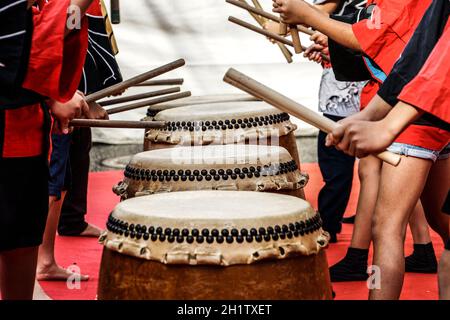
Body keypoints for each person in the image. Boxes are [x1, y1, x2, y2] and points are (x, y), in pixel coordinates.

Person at [295, 0, 439, 280]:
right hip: (403, 103)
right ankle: (414, 248)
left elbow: (384, 44)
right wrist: (335, 47)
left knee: (388, 222)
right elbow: (390, 50)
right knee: (402, 198)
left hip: (412, 107)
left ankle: (360, 256)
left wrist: (312, 19)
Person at [0, 0, 94, 300]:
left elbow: (47, 29)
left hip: (24, 134)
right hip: (10, 138)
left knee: (22, 239)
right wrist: (50, 93)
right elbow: (20, 53)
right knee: (17, 241)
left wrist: (52, 94)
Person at [36, 0, 122, 281]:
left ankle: (52, 249)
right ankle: (44, 261)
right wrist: (58, 96)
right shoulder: (62, 11)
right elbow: (43, 51)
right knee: (53, 182)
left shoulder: (71, 11)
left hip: (58, 95)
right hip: (44, 104)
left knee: (61, 180)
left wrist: (78, 95)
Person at [58, 0, 122, 238]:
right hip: (58, 88)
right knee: (59, 164)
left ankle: (72, 219)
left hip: (68, 88)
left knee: (77, 145)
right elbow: (63, 38)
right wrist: (87, 96)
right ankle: (64, 226)